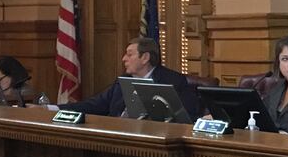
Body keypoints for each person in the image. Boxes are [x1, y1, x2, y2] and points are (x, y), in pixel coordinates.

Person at [55, 37, 199, 120]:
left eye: (129, 55)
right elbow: (94, 105)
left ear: (145, 57)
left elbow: (185, 117)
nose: (124, 59)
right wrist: (54, 109)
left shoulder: (174, 81)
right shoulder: (122, 81)